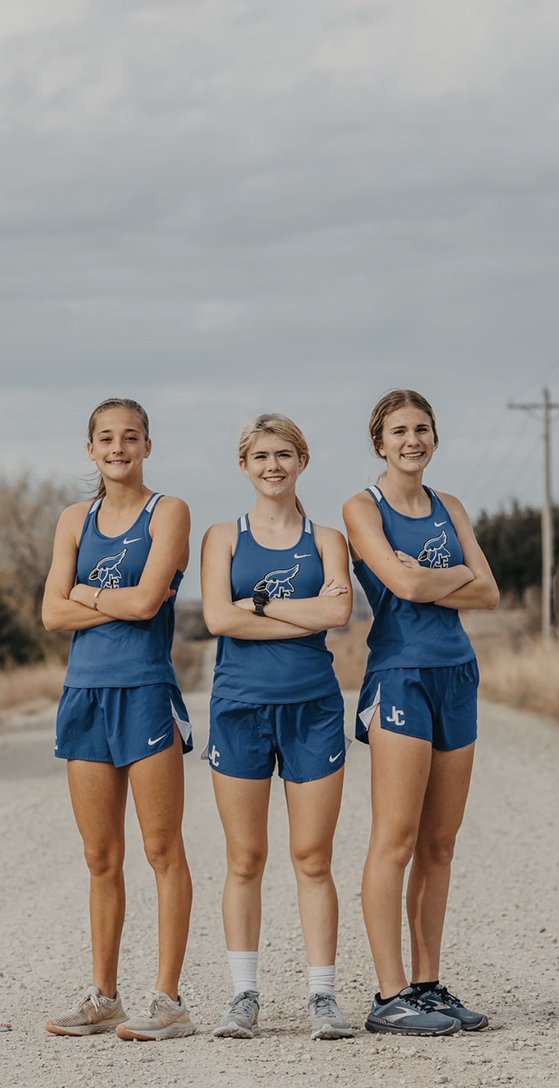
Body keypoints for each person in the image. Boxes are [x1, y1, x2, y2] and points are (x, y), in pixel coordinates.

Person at [343, 389, 499, 1036]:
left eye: (423, 429)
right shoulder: (362, 508)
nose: (413, 440)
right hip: (399, 676)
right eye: (400, 430)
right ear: (379, 442)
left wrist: (438, 579)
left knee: (440, 843)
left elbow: (489, 591)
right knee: (396, 839)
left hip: (456, 675)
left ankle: (429, 986)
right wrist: (450, 579)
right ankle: (389, 995)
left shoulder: (449, 507)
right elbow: (401, 587)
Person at [41, 398, 196, 1041]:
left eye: (130, 437)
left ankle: (168, 1002)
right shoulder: (74, 519)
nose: (118, 448)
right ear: (90, 448)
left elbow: (147, 602)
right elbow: (51, 615)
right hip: (86, 695)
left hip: (145, 691)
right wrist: (120, 601)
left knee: (162, 849)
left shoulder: (171, 512)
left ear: (147, 446)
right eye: (106, 438)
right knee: (100, 855)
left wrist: (87, 594)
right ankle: (104, 997)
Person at [201, 413, 355, 1040]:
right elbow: (217, 619)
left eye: (284, 454)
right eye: (261, 455)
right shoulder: (222, 538)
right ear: (244, 466)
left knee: (312, 858)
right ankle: (245, 996)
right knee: (246, 858)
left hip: (312, 706)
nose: (273, 465)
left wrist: (259, 605)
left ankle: (323, 997)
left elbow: (340, 612)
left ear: (303, 461)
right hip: (239, 706)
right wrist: (304, 616)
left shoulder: (327, 540)